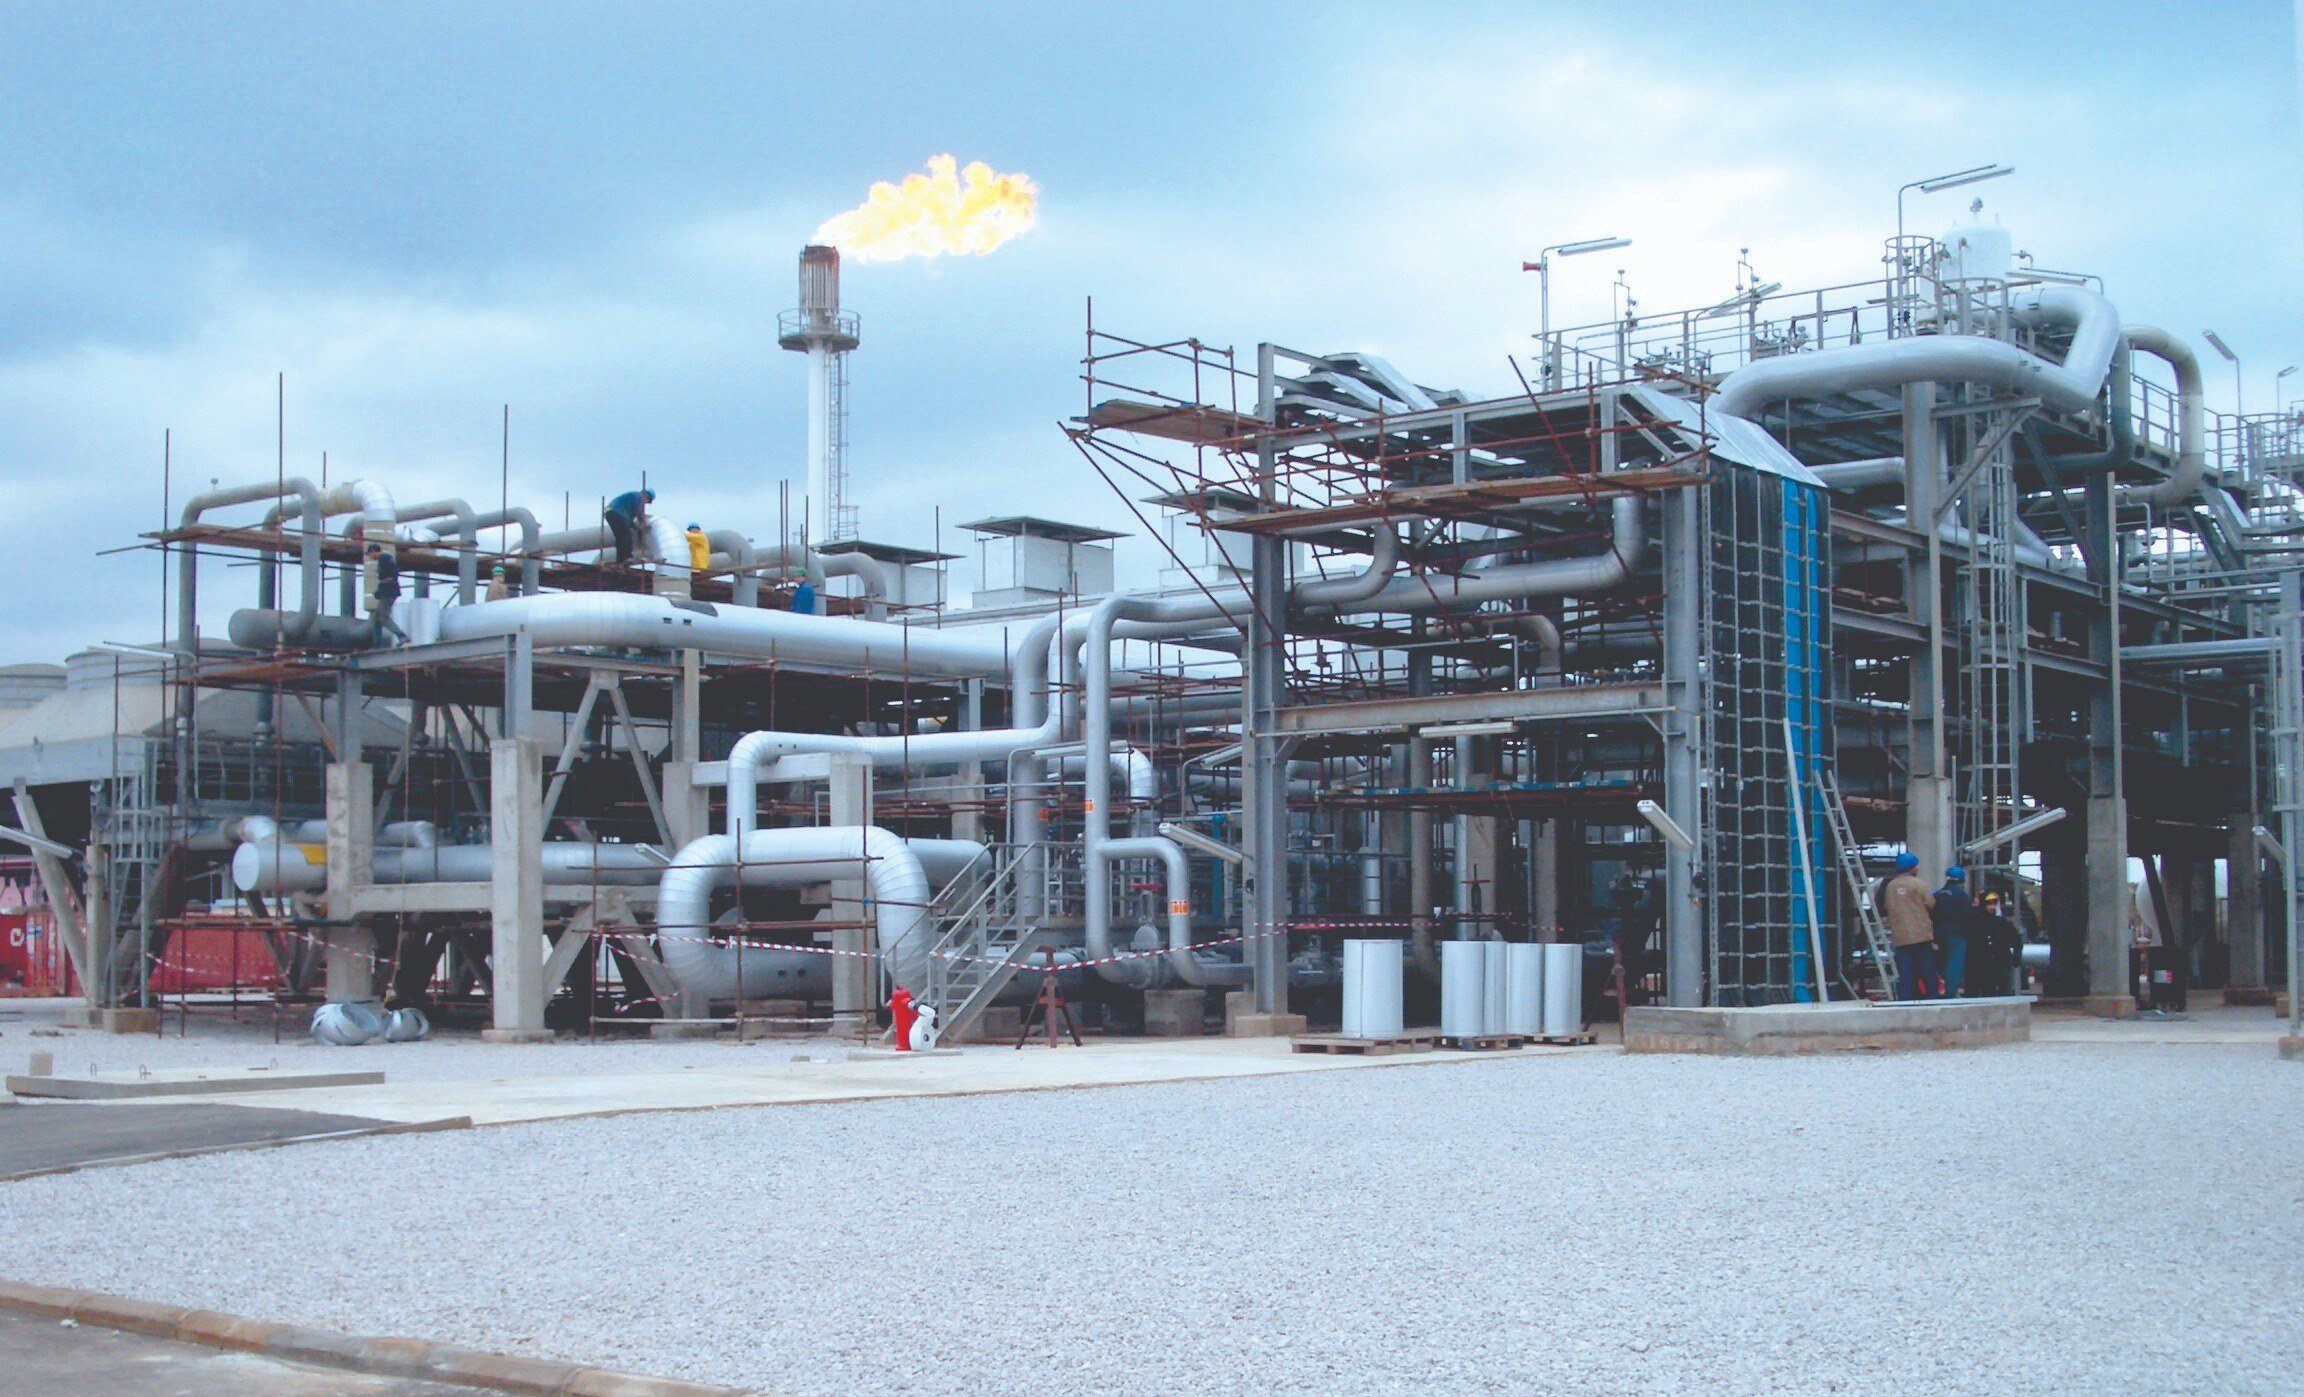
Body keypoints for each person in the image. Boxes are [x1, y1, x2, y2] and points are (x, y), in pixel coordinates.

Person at [1878, 851, 1939, 1000]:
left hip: (1901, 938)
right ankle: (1933, 999)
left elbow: (1886, 906)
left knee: (1905, 972)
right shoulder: (1919, 884)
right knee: (1927, 972)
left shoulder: (1890, 887)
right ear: (1911, 868)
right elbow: (1931, 903)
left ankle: (1904, 1000)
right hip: (1921, 936)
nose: (1917, 869)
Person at [1964, 891, 2021, 998]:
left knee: (2006, 992)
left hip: (2002, 962)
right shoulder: (1975, 923)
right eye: (1988, 904)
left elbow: (2017, 940)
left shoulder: (2002, 923)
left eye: (1994, 904)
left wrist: (2017, 955)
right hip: (1983, 965)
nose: (1992, 907)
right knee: (1988, 992)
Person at [1931, 866, 1972, 998]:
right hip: (1956, 935)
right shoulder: (1961, 896)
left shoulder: (1937, 894)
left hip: (1939, 935)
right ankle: (1950, 993)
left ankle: (1940, 990)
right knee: (1954, 964)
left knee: (1942, 963)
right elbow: (1968, 916)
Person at [365, 543, 405, 645]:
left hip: (389, 593)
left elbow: (393, 573)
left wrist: (390, 580)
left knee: (383, 617)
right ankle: (377, 644)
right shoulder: (384, 559)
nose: (370, 557)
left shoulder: (385, 559)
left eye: (370, 554)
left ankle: (401, 636)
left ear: (373, 552)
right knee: (377, 618)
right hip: (387, 593)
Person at [603, 487, 654, 565]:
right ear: (646, 495)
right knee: (626, 535)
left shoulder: (630, 501)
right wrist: (644, 522)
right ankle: (627, 557)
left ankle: (620, 560)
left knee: (620, 537)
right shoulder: (638, 496)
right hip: (617, 513)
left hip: (610, 513)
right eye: (648, 500)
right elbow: (638, 512)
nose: (645, 503)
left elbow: (629, 521)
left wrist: (636, 528)